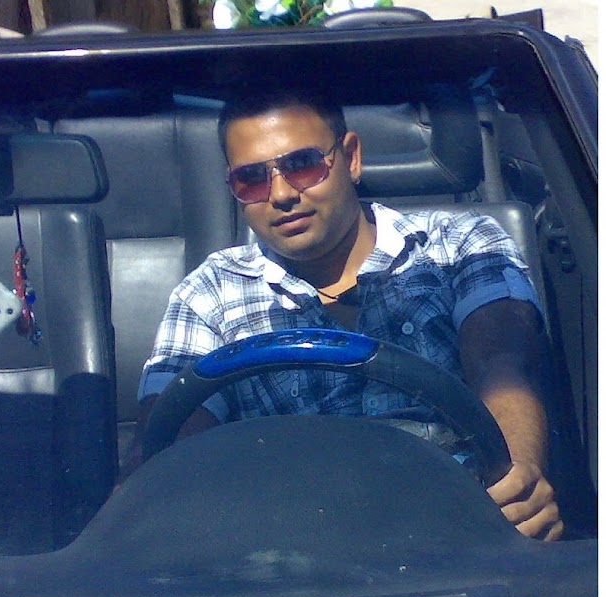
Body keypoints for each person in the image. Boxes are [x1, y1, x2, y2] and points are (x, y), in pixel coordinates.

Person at [131, 90, 563, 541]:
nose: (281, 194)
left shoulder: (458, 244)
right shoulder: (209, 292)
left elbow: (503, 366)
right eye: (251, 179)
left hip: (460, 528)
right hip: (289, 548)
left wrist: (518, 485)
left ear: (351, 158)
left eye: (302, 165)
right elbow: (169, 438)